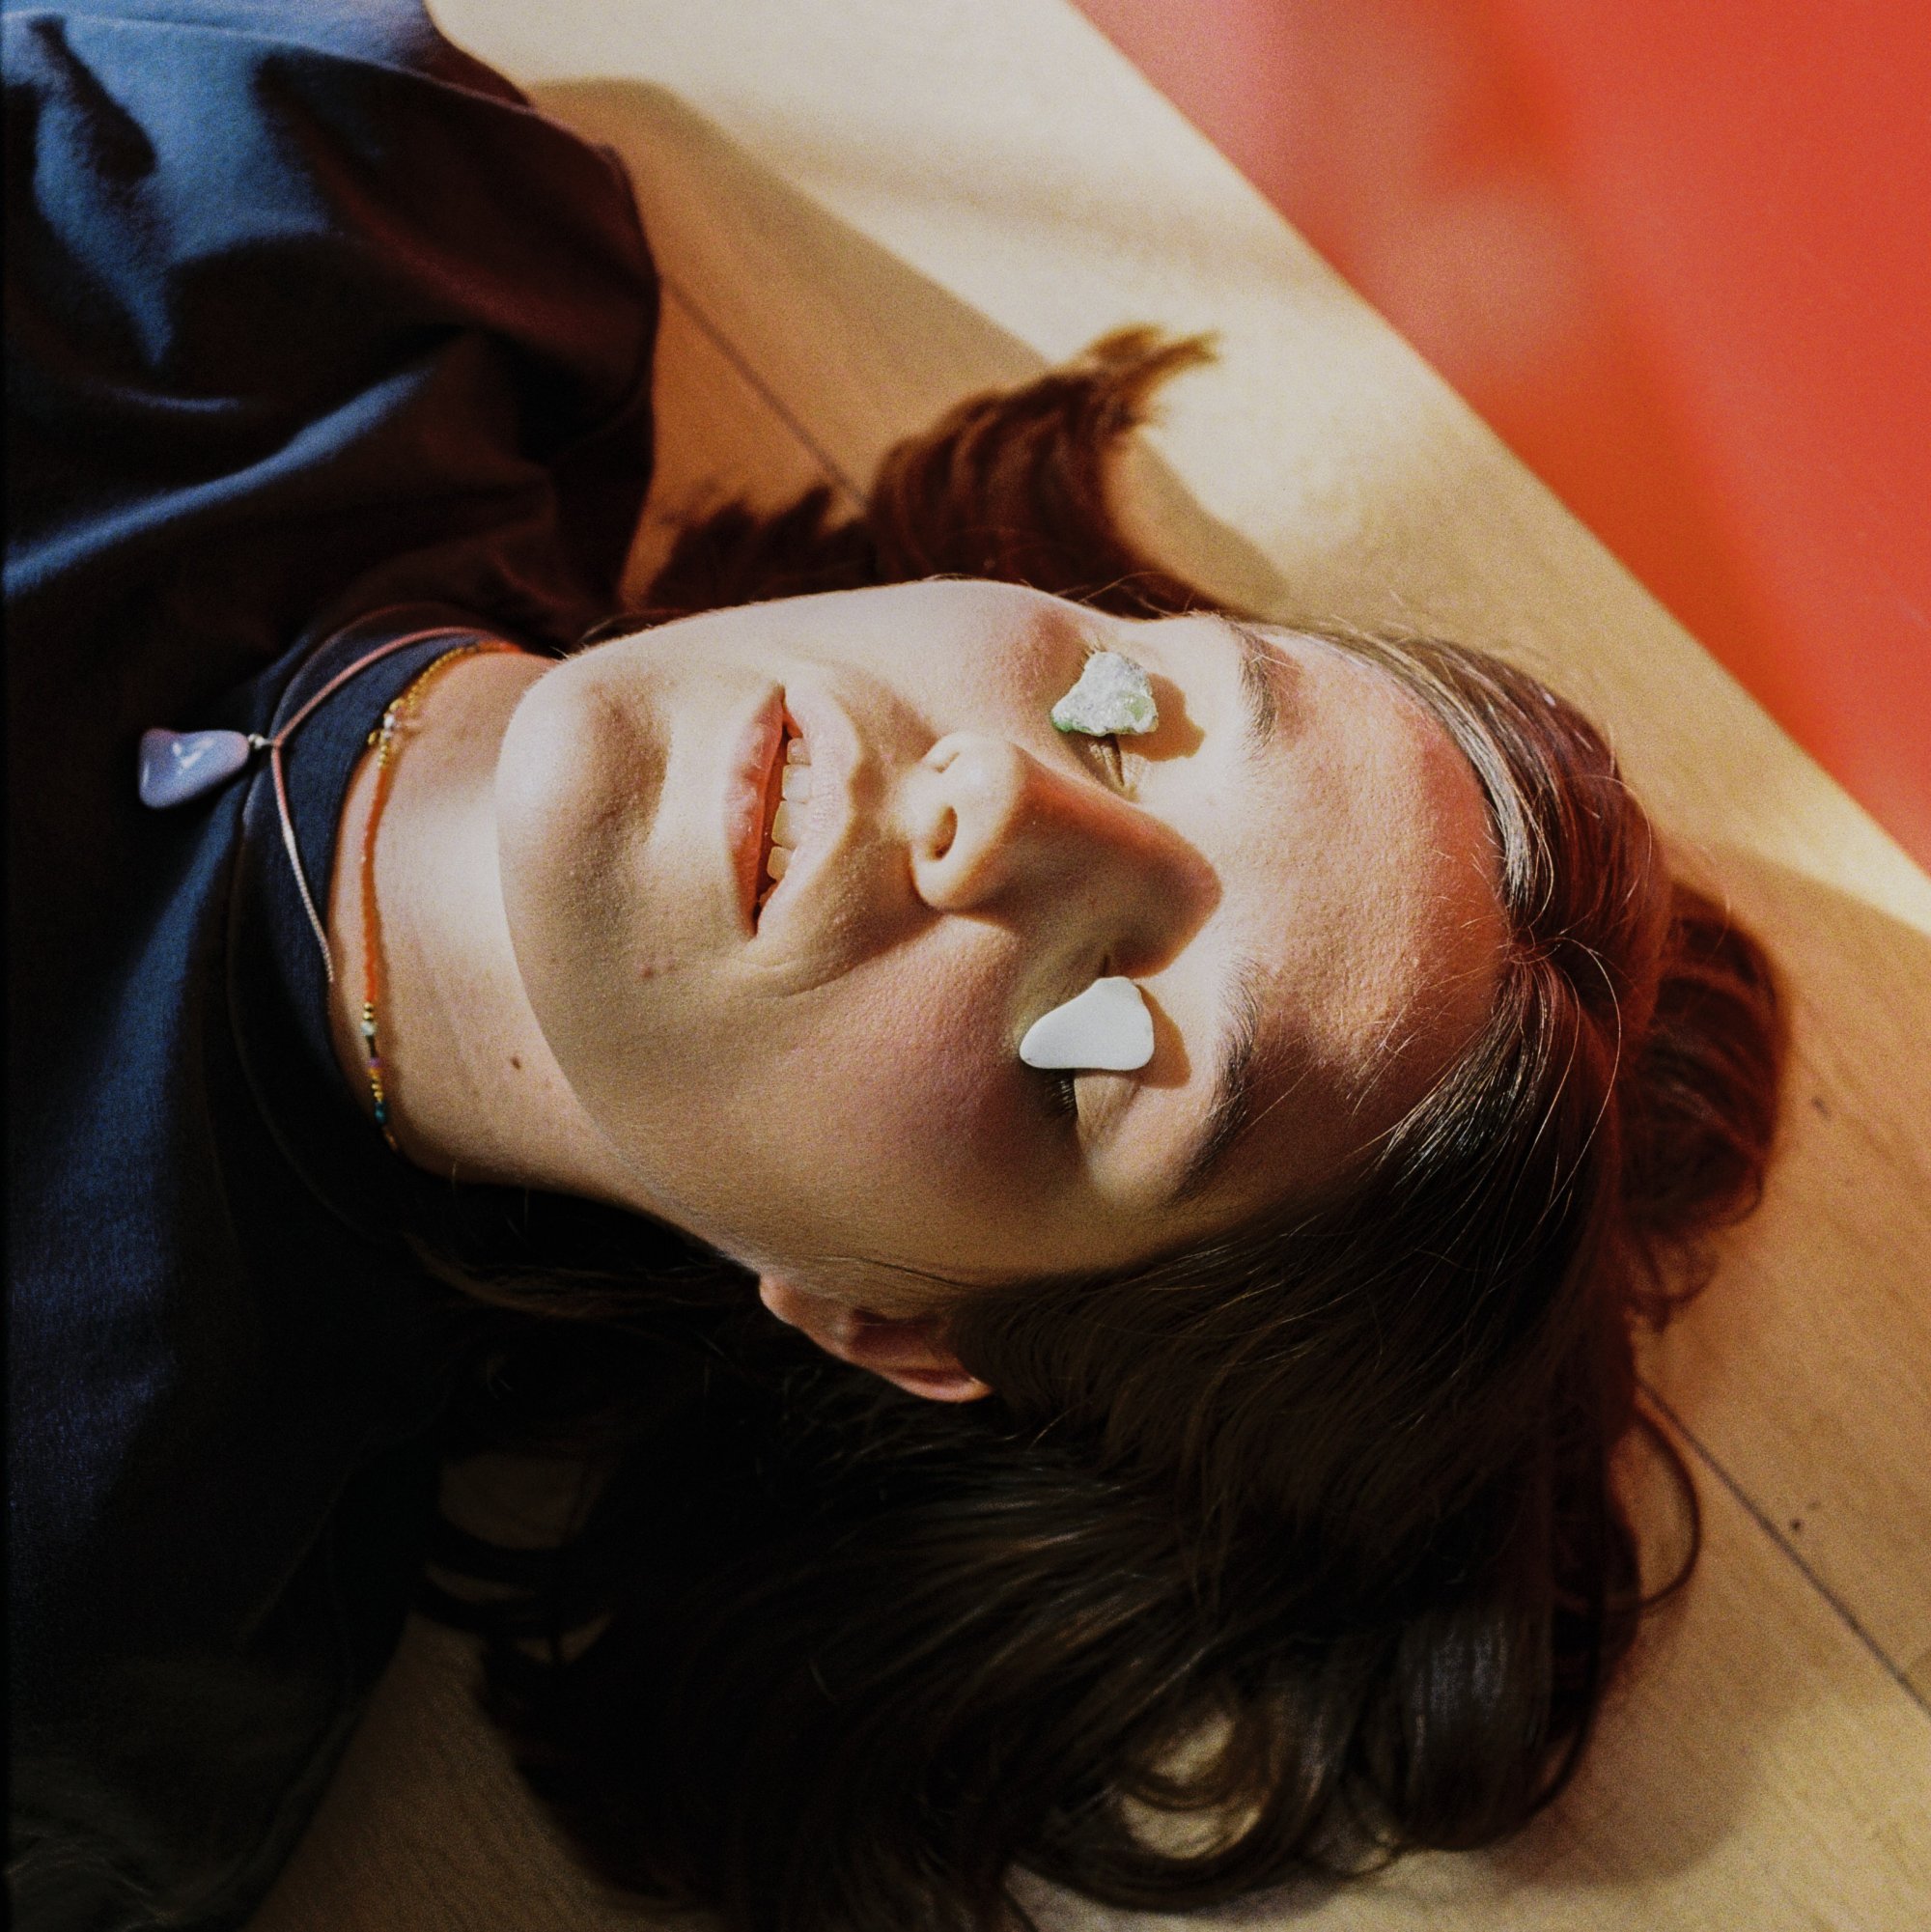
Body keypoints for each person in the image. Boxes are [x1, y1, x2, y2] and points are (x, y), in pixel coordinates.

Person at [4, 3, 1783, 1931]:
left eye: (1100, 1044)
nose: (990, 811)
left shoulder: (96, 1618)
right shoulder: (366, 204)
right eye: (1124, 710)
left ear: (893, 1321)